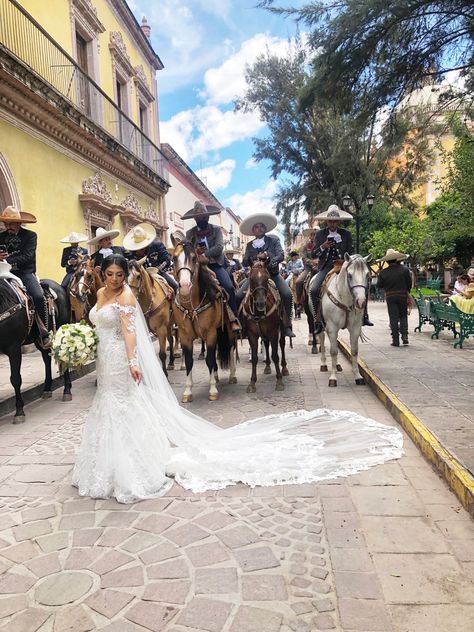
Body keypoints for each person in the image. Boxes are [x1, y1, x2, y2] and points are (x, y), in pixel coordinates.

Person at [72, 254, 403, 503]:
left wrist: (309, 258)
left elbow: (235, 258)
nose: (116, 278)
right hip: (111, 355)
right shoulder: (106, 284)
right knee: (239, 287)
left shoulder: (226, 238)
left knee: (279, 288)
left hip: (323, 268)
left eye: (119, 274)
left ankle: (272, 321)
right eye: (111, 274)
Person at [237, 212, 295, 338]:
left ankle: (287, 325)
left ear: (265, 228)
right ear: (253, 230)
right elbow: (245, 261)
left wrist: (268, 256)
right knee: (237, 296)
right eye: (256, 227)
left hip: (272, 275)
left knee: (287, 294)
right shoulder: (249, 245)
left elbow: (281, 255)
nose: (259, 229)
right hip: (254, 277)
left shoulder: (273, 241)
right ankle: (241, 326)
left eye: (261, 226)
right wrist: (255, 258)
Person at [183, 200, 240, 330]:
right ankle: (183, 318)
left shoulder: (216, 229)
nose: (200, 219)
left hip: (214, 265)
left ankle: (233, 318)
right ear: (195, 219)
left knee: (229, 287)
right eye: (198, 217)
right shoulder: (190, 233)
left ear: (208, 217)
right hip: (197, 267)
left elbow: (219, 247)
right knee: (183, 287)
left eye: (203, 216)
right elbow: (187, 249)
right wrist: (194, 252)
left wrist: (205, 255)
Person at [0, 206, 50, 345]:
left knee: (38, 296)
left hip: (24, 273)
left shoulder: (30, 236)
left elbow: (28, 256)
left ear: (18, 223)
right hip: (2, 272)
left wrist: (6, 260)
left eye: (11, 224)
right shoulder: (0, 237)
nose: (8, 227)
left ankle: (43, 332)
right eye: (6, 223)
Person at [310, 205, 358, 335]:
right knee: (314, 290)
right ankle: (318, 321)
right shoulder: (320, 234)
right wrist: (323, 246)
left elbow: (352, 251)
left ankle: (364, 316)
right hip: (326, 267)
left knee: (361, 285)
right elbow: (313, 254)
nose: (332, 224)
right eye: (330, 221)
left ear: (338, 221)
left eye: (335, 221)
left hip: (343, 266)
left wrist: (351, 259)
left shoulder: (346, 234)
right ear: (326, 221)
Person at [123, 223, 178, 291]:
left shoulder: (157, 245)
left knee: (175, 287)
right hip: (139, 277)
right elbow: (130, 264)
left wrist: (157, 270)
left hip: (158, 273)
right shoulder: (132, 250)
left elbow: (167, 260)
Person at [376, 248, 412, 346]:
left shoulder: (383, 272)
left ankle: (395, 340)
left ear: (387, 261)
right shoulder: (405, 270)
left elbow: (379, 285)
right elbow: (409, 283)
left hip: (390, 296)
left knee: (393, 318)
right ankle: (404, 336)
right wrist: (407, 292)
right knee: (403, 316)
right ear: (396, 259)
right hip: (402, 295)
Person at [295, 228, 319, 305]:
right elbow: (304, 258)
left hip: (321, 268)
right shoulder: (305, 246)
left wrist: (319, 261)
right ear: (310, 236)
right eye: (313, 234)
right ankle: (299, 299)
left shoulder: (322, 244)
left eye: (316, 234)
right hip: (308, 269)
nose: (314, 236)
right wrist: (312, 262)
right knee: (298, 282)